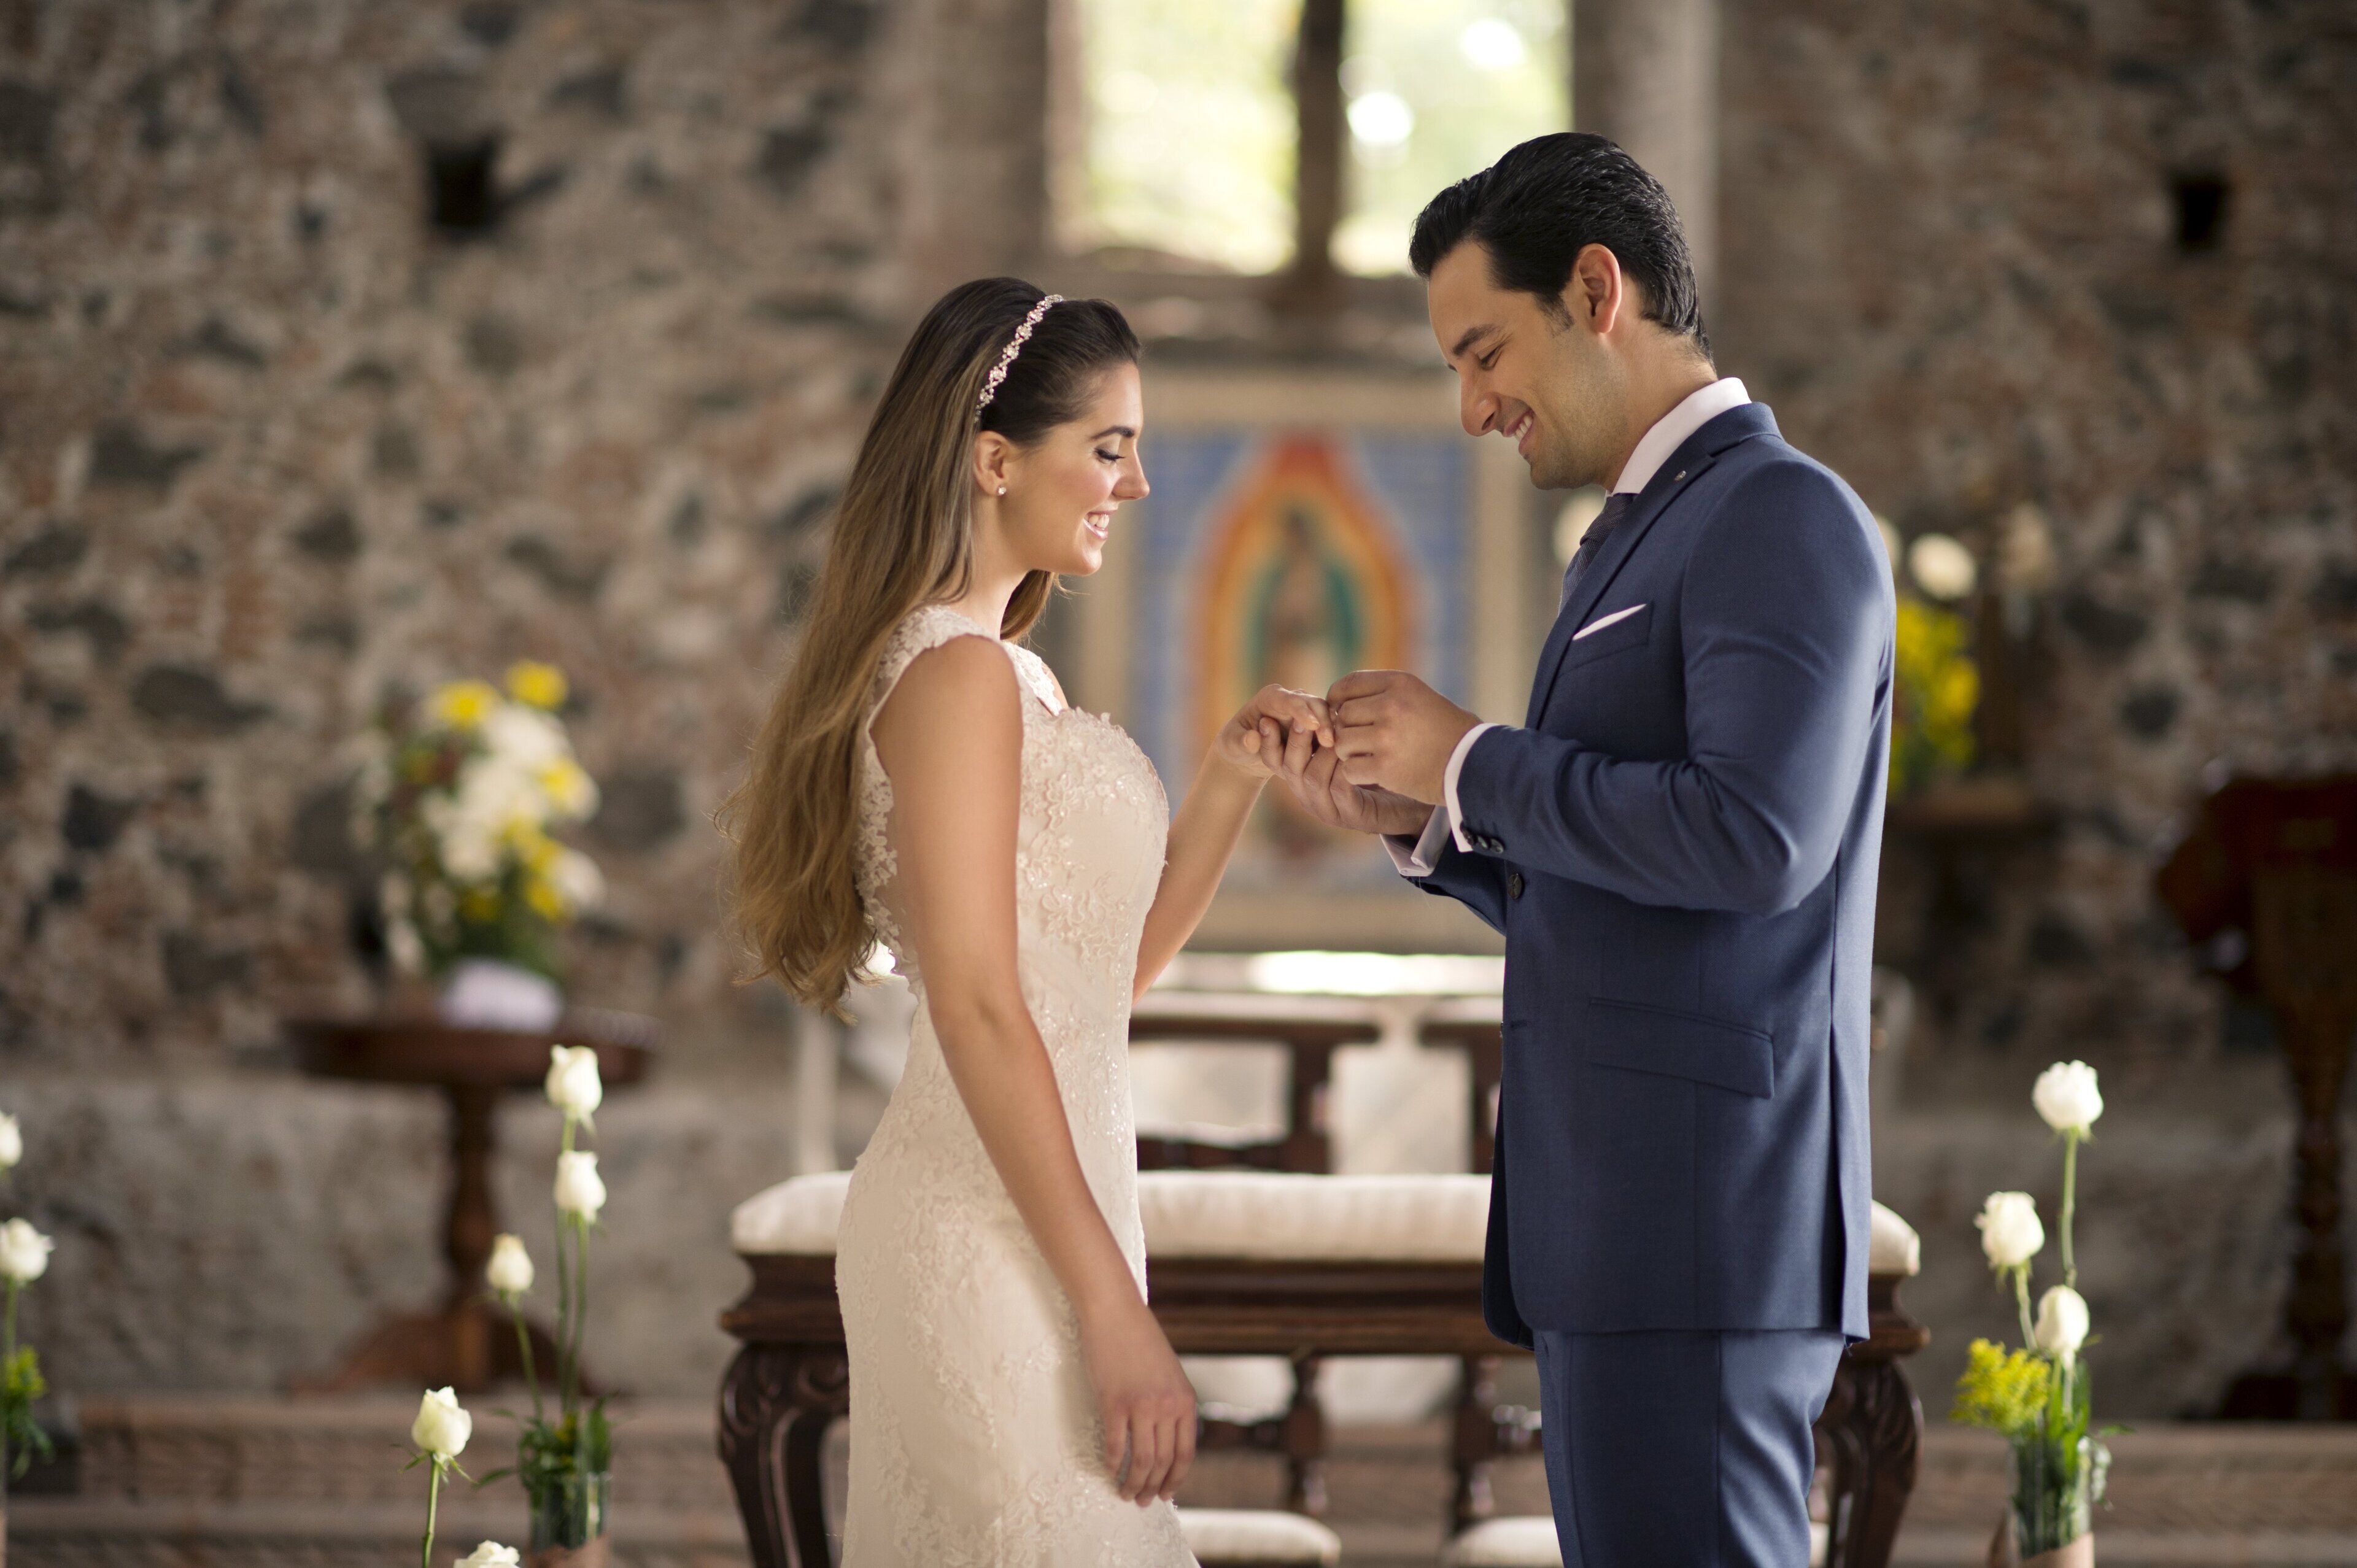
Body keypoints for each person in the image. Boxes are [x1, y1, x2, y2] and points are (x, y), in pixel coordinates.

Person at [1274, 134, 1895, 1566]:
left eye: (1483, 351)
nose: (1474, 405)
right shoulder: (1636, 537)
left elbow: (1755, 840)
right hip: (1623, 1222)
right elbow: (1641, 881)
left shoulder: (1777, 513)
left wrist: (1475, 758)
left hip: (1704, 1222)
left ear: (1596, 290)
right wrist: (1426, 817)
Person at [719, 277, 1328, 1567]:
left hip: (1051, 1215)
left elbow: (1093, 987)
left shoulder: (1012, 674)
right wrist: (1113, 1312)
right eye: (1109, 448)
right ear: (994, 459)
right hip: (981, 1243)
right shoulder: (954, 678)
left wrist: (1227, 780)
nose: (1138, 482)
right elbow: (980, 1005)